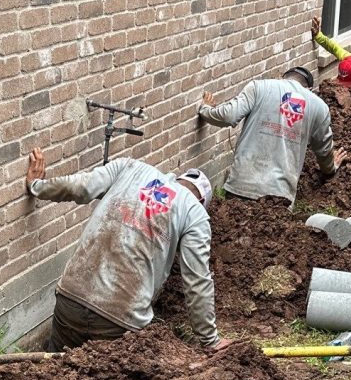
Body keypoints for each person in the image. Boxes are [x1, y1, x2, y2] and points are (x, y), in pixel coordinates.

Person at [25, 149, 229, 353]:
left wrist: (37, 186)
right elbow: (197, 280)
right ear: (202, 202)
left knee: (54, 369)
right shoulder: (196, 213)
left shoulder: (129, 167)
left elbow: (79, 187)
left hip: (71, 297)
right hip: (120, 320)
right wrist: (210, 340)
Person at [199, 64, 348, 205]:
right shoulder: (319, 107)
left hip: (242, 185)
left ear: (281, 77)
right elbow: (323, 149)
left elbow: (228, 116)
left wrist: (205, 109)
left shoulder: (259, 87)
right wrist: (331, 167)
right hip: (280, 197)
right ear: (309, 88)